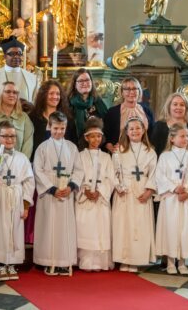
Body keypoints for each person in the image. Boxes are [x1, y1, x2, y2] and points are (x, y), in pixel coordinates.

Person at [33, 111, 84, 276]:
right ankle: (47, 261)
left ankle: (64, 261)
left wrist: (71, 186)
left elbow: (78, 169)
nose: (59, 132)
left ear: (66, 128)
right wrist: (52, 189)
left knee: (65, 228)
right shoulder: (42, 148)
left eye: (62, 128)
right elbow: (37, 170)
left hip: (66, 193)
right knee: (48, 226)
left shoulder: (72, 147)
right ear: (49, 126)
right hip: (49, 194)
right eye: (55, 128)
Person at [0, 121, 35, 281]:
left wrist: (26, 205)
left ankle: (12, 264)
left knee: (14, 229)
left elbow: (29, 181)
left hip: (16, 196)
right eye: (5, 136)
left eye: (12, 136)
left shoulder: (22, 158)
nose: (9, 139)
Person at [155, 123, 188, 275]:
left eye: (187, 136)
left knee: (185, 229)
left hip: (187, 200)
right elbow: (160, 176)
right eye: (182, 136)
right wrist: (174, 188)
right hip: (171, 199)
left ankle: (183, 262)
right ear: (172, 138)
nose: (186, 139)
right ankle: (171, 261)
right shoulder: (165, 156)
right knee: (170, 229)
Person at [111, 117, 157, 273]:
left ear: (143, 130)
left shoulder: (150, 151)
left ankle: (136, 259)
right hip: (125, 191)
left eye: (138, 128)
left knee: (139, 225)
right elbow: (113, 172)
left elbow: (154, 174)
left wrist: (149, 191)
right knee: (123, 225)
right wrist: (118, 186)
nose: (135, 131)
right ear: (127, 132)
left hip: (142, 192)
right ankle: (124, 259)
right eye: (131, 129)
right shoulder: (119, 150)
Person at [75, 118, 115, 271]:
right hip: (85, 199)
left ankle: (101, 262)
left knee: (100, 229)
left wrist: (100, 191)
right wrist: (84, 190)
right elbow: (77, 176)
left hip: (100, 199)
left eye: (98, 136)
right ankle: (85, 261)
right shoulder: (80, 156)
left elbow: (110, 179)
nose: (96, 139)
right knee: (86, 229)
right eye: (92, 136)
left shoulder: (106, 157)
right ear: (86, 137)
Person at [0, 36, 39, 118]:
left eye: (19, 54)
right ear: (4, 56)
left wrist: (30, 105)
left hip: (26, 122)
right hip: (2, 124)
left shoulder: (32, 78)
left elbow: (39, 101)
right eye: (12, 54)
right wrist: (3, 106)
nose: (16, 56)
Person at [0, 81, 34, 159]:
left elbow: (28, 144)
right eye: (8, 92)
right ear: (0, 94)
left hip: (18, 165)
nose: (12, 95)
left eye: (15, 92)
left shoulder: (24, 117)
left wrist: (21, 162)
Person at [103, 77, 154, 154]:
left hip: (142, 153)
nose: (131, 92)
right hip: (120, 153)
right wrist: (108, 145)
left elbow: (152, 133)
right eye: (127, 89)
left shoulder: (147, 111)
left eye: (134, 89)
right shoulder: (112, 112)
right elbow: (105, 134)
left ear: (139, 91)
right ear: (122, 92)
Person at [29, 80, 78, 160]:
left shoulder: (68, 118)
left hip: (63, 161)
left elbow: (73, 143)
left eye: (58, 94)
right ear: (43, 95)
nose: (55, 97)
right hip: (40, 161)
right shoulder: (33, 117)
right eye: (51, 93)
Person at [150, 92, 188, 156]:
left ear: (186, 108)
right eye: (175, 104)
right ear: (169, 107)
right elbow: (153, 150)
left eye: (182, 105)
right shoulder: (159, 126)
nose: (178, 107)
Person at [67, 68, 108, 146]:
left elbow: (107, 122)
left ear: (91, 82)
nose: (85, 83)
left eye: (87, 80)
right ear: (75, 85)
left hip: (98, 146)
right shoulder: (68, 103)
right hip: (74, 146)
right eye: (81, 81)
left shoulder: (98, 101)